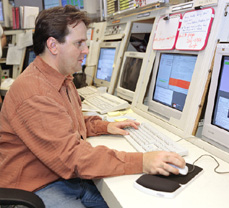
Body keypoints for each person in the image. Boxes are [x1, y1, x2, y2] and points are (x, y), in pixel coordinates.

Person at [0, 5, 185, 208]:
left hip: (60, 178)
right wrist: (143, 161)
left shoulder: (60, 79)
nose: (86, 50)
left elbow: (63, 125)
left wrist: (103, 126)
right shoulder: (35, 92)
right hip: (35, 188)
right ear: (53, 45)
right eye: (79, 43)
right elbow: (72, 158)